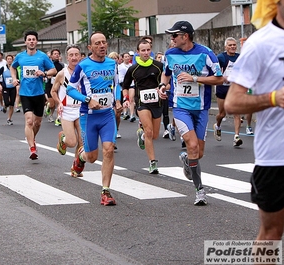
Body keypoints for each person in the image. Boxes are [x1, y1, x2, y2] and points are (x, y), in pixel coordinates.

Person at [224, 0, 284, 253]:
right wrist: (273, 98)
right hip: (276, 157)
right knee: (272, 233)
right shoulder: (261, 44)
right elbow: (232, 102)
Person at [161, 21, 223, 206]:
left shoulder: (206, 53)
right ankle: (200, 190)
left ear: (184, 36)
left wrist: (195, 78)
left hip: (201, 108)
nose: (171, 39)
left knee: (198, 152)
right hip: (180, 107)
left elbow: (219, 79)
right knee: (192, 144)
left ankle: (187, 159)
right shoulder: (170, 54)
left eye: (174, 35)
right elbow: (166, 74)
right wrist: (162, 86)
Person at [66, 31, 122, 206]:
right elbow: (70, 89)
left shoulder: (113, 64)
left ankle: (105, 191)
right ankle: (79, 159)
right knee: (91, 157)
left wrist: (118, 100)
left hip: (107, 115)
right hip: (88, 116)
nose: (102, 46)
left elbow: (117, 85)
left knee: (108, 149)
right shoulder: (83, 66)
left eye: (104, 42)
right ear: (90, 47)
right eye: (97, 43)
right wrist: (87, 100)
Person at [10, 30, 57, 160]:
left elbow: (53, 70)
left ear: (36, 41)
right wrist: (14, 78)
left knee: (37, 123)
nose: (31, 41)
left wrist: (44, 73)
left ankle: (32, 138)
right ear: (25, 42)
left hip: (39, 93)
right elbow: (12, 67)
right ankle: (32, 148)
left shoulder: (42, 56)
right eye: (29, 39)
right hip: (25, 93)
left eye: (33, 39)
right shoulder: (20, 56)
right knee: (29, 121)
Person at [122, 40, 166, 174]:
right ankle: (152, 162)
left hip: (157, 102)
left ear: (151, 50)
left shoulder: (158, 66)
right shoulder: (133, 69)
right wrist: (125, 99)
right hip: (142, 103)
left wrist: (163, 89)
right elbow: (125, 86)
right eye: (143, 50)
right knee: (149, 132)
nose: (146, 53)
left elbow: (166, 82)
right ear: (138, 52)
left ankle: (142, 136)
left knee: (155, 135)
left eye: (148, 50)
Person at [51, 44, 84, 177]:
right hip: (67, 110)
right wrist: (58, 102)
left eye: (76, 54)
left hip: (81, 109)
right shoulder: (62, 74)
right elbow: (53, 91)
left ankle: (76, 167)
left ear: (81, 57)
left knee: (83, 142)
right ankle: (63, 138)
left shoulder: (84, 72)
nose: (74, 57)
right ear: (67, 57)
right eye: (71, 55)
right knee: (72, 142)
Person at [213, 37, 243, 147]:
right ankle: (218, 126)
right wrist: (222, 77)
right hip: (222, 88)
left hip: (234, 88)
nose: (232, 47)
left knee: (237, 113)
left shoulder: (239, 57)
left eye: (234, 45)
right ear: (226, 47)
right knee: (222, 114)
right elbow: (215, 70)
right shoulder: (221, 57)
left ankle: (236, 136)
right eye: (230, 45)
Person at [0, 54, 17, 125]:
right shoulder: (3, 68)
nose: (9, 60)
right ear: (6, 60)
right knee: (7, 102)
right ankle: (4, 106)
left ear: (12, 60)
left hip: (13, 88)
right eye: (8, 59)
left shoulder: (15, 68)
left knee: (12, 104)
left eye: (11, 59)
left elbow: (18, 78)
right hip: (5, 88)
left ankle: (9, 119)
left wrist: (17, 82)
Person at [44, 48, 65, 125]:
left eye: (57, 54)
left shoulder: (61, 65)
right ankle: (48, 107)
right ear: (51, 56)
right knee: (52, 104)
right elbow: (44, 73)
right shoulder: (48, 65)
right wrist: (47, 75)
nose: (56, 55)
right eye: (55, 54)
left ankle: (55, 117)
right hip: (49, 86)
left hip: (58, 86)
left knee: (58, 102)